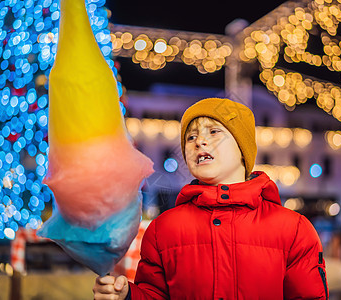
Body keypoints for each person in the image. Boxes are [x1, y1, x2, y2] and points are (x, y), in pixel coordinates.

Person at [93, 97, 329, 299]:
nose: (199, 142)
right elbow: (155, 294)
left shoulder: (294, 230)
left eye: (214, 132)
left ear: (242, 147)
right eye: (190, 137)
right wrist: (127, 296)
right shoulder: (163, 229)